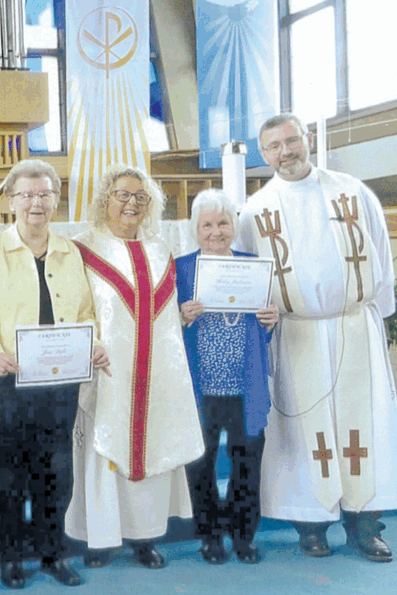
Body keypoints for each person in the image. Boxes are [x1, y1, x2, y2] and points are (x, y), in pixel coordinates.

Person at [236, 114, 397, 561]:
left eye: (291, 141)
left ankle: (365, 525)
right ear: (263, 155)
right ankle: (310, 526)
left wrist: (375, 322)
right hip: (295, 332)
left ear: (306, 139)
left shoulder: (352, 191)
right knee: (303, 433)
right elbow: (249, 276)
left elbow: (381, 256)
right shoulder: (255, 211)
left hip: (354, 326)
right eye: (273, 147)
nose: (285, 152)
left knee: (363, 427)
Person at [0, 160, 110, 589]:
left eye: (44, 194)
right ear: (11, 202)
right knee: (8, 473)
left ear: (55, 199)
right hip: (7, 382)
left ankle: (52, 553)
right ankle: (10, 557)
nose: (36, 202)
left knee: (57, 470)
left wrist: (95, 346)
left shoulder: (71, 251)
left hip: (58, 381)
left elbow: (86, 312)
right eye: (27, 195)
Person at [66, 164, 204, 569]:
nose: (131, 203)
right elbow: (76, 306)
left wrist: (181, 314)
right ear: (105, 200)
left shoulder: (161, 249)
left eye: (139, 197)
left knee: (154, 444)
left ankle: (145, 538)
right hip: (109, 370)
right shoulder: (83, 247)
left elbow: (158, 313)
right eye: (121, 195)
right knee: (104, 447)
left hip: (155, 370)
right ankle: (100, 538)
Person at [177, 189, 278, 564]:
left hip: (244, 385)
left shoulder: (254, 265)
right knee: (199, 466)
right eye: (207, 224)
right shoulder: (181, 268)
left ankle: (243, 535)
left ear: (234, 226)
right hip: (200, 389)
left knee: (246, 463)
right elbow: (166, 330)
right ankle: (209, 536)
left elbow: (262, 328)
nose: (216, 232)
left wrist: (271, 321)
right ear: (195, 229)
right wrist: (182, 316)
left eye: (223, 223)